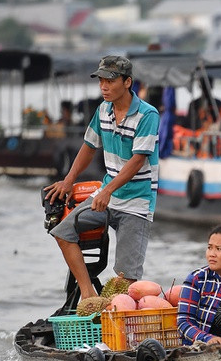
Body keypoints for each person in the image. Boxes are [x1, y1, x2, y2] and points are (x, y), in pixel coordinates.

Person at [43, 56, 160, 300]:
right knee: (62, 233)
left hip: (137, 201)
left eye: (110, 80)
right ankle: (88, 294)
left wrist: (107, 191)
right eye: (101, 81)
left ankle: (116, 310)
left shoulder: (148, 115)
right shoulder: (103, 110)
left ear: (127, 82)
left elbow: (138, 160)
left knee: (126, 280)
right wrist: (69, 180)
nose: (104, 87)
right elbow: (89, 145)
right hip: (107, 193)